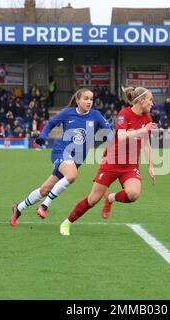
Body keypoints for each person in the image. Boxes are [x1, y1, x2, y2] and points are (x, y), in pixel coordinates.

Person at [59, 86, 158, 236]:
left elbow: (145, 143)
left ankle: (110, 197)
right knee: (92, 200)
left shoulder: (147, 119)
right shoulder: (124, 114)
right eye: (150, 100)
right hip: (111, 163)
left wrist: (150, 165)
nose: (152, 103)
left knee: (133, 194)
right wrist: (142, 130)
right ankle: (67, 223)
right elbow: (122, 135)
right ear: (141, 101)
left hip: (130, 165)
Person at [10, 88, 113, 227]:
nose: (89, 101)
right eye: (86, 98)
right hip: (61, 151)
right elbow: (51, 123)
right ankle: (44, 206)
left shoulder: (96, 115)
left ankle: (19, 208)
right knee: (71, 176)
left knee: (45, 190)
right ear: (77, 100)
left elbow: (109, 132)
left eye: (91, 99)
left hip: (77, 159)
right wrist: (42, 136)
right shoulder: (67, 113)